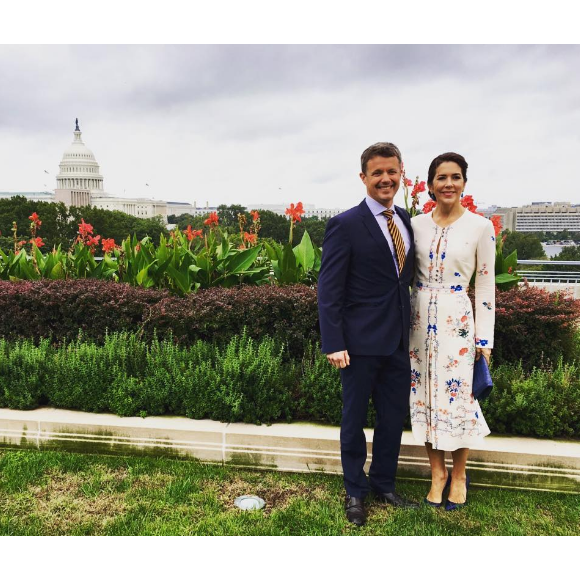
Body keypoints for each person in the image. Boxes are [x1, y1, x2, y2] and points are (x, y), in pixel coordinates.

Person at [318, 142, 419, 527]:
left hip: (397, 341)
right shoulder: (344, 224)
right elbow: (329, 290)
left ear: (400, 174)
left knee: (393, 418)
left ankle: (384, 484)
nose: (385, 179)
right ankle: (355, 492)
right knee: (354, 419)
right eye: (377, 173)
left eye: (391, 172)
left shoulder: (407, 219)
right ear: (364, 178)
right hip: (357, 344)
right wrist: (334, 342)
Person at [409, 152, 495, 511]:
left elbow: (488, 285)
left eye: (456, 177)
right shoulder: (414, 225)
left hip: (458, 324)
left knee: (460, 399)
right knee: (424, 396)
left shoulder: (480, 227)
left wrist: (485, 340)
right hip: (417, 324)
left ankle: (459, 473)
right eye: (441, 177)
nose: (448, 183)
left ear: (464, 183)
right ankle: (436, 474)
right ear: (430, 185)